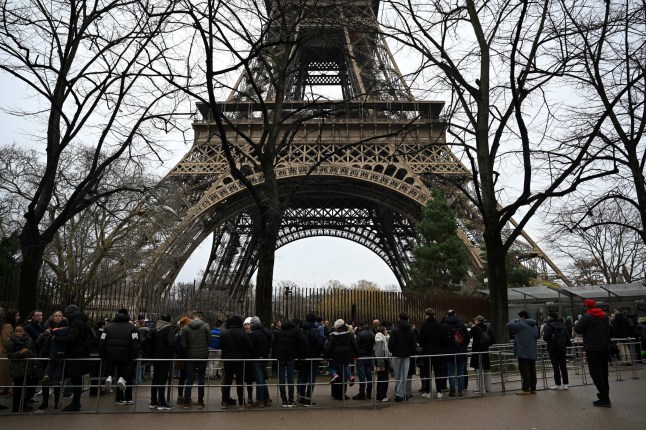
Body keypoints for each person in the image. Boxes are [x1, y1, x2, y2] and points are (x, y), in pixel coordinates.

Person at [575, 299, 613, 407]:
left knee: (596, 373)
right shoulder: (604, 316)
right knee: (604, 372)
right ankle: (604, 395)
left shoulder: (586, 316)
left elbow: (578, 329)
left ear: (586, 307)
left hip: (593, 348)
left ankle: (605, 398)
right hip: (605, 347)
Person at [99, 307, 139, 406]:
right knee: (127, 376)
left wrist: (103, 355)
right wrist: (134, 355)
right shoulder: (132, 327)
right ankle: (128, 398)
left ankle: (118, 396)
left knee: (115, 372)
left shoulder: (108, 327)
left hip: (111, 355)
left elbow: (101, 341)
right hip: (126, 355)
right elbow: (135, 342)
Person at [220, 315, 254, 409]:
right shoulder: (243, 333)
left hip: (227, 360)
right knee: (240, 382)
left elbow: (221, 346)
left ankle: (224, 402)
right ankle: (241, 403)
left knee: (227, 381)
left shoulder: (224, 333)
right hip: (239, 360)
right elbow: (250, 347)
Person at [273, 319, 307, 407]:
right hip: (291, 357)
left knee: (281, 380)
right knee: (290, 380)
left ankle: (284, 400)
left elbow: (274, 345)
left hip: (280, 357)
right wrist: (301, 355)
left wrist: (274, 357)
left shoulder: (278, 332)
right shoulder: (295, 331)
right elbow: (304, 342)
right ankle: (291, 400)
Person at [181, 311, 211, 410]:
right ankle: (200, 402)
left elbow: (184, 344)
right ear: (202, 318)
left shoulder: (185, 328)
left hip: (190, 356)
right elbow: (209, 341)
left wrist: (187, 353)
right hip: (203, 355)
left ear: (194, 317)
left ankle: (186, 402)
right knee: (201, 378)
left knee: (189, 378)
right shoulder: (206, 326)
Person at [417, 308, 448, 399]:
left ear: (427, 315)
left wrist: (425, 346)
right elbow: (444, 340)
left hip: (427, 351)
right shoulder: (439, 325)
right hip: (437, 351)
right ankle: (439, 392)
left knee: (427, 372)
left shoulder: (424, 325)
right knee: (438, 372)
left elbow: (420, 339)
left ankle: (428, 392)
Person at [6, 325, 37, 413]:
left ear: (24, 332)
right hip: (17, 369)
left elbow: (34, 351)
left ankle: (23, 405)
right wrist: (20, 353)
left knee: (25, 388)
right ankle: (16, 407)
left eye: (20, 331)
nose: (18, 333)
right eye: (17, 331)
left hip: (27, 367)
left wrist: (35, 363)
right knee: (18, 389)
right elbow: (10, 355)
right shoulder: (11, 342)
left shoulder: (29, 340)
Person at [507, 310, 539, 395]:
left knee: (525, 371)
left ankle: (525, 389)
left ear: (522, 317)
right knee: (532, 370)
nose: (518, 319)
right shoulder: (534, 326)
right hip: (532, 350)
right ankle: (533, 388)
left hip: (523, 351)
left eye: (519, 317)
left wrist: (515, 320)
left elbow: (509, 325)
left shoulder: (522, 324)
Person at [149, 313, 177, 410]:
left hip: (155, 357)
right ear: (169, 320)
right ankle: (162, 402)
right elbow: (171, 342)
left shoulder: (155, 329)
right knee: (162, 380)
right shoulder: (169, 329)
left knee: (155, 379)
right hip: (165, 358)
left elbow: (150, 342)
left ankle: (153, 401)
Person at [388, 312, 417, 402]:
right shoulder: (411, 331)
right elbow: (413, 345)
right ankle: (400, 393)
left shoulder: (395, 330)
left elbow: (391, 345)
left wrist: (393, 351)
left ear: (399, 318)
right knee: (404, 376)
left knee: (397, 376)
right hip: (407, 355)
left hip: (396, 355)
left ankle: (399, 394)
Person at [442, 310, 470, 397]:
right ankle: (460, 390)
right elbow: (467, 338)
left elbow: (442, 340)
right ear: (455, 314)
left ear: (447, 315)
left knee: (451, 371)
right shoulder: (461, 325)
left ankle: (453, 390)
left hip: (449, 352)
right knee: (461, 371)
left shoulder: (444, 326)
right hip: (461, 351)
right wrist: (463, 346)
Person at [297, 313, 322, 407]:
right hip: (313, 357)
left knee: (303, 377)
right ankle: (308, 398)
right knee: (311, 378)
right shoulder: (315, 330)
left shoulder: (301, 330)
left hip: (303, 357)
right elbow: (319, 343)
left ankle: (301, 397)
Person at [542, 312, 570, 390]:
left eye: (548, 317)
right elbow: (568, 337)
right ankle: (565, 384)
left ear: (551, 318)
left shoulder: (548, 326)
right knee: (563, 366)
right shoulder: (562, 326)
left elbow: (545, 338)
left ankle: (558, 384)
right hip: (562, 348)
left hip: (553, 349)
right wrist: (565, 346)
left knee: (556, 367)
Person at [248, 316, 272, 408]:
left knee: (259, 379)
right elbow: (270, 343)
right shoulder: (266, 331)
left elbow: (251, 347)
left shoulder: (253, 334)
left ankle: (260, 400)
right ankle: (267, 399)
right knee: (261, 378)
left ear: (253, 324)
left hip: (256, 358)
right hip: (265, 357)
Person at [470, 315, 496, 394]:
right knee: (486, 369)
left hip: (476, 351)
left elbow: (468, 336)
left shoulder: (474, 328)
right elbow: (493, 340)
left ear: (477, 321)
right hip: (485, 351)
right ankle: (488, 387)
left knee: (478, 370)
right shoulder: (488, 328)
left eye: (475, 320)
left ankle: (480, 388)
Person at [353, 320, 375, 400]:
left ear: (360, 326)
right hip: (369, 356)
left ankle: (361, 393)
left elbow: (355, 344)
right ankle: (369, 393)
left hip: (361, 356)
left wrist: (355, 354)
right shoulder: (372, 333)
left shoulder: (360, 334)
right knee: (369, 375)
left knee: (361, 375)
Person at [1, 308, 20, 396]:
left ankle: (5, 389)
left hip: (5, 353)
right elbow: (6, 341)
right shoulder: (8, 326)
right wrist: (16, 341)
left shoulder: (6, 325)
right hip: (5, 354)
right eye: (17, 315)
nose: (18, 317)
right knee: (5, 374)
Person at [373, 325, 390, 402]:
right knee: (383, 379)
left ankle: (382, 395)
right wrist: (381, 364)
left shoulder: (382, 338)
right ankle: (381, 396)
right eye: (385, 330)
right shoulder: (380, 339)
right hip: (382, 362)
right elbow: (379, 352)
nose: (386, 331)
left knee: (382, 378)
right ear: (382, 331)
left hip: (382, 360)